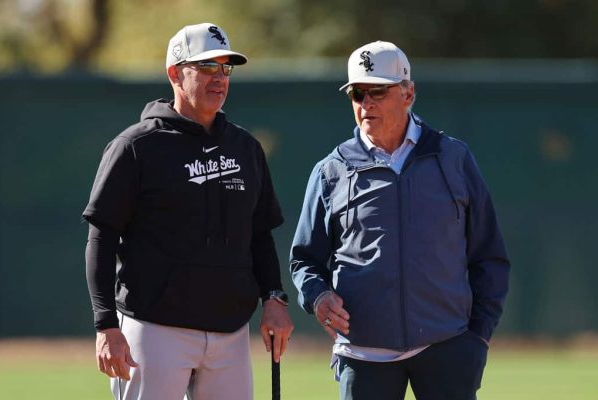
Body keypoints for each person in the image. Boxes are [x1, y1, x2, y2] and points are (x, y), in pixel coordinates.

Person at [83, 23, 293, 400]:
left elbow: (259, 234)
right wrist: (106, 326)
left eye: (226, 68)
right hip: (155, 329)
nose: (220, 78)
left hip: (230, 330)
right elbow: (102, 235)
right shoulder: (136, 146)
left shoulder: (245, 148)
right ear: (175, 74)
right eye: (207, 67)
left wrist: (274, 299)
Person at [290, 40, 510, 400]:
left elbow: (488, 254)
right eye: (357, 94)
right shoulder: (331, 170)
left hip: (448, 348)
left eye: (378, 91)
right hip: (363, 355)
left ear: (408, 94)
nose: (366, 103)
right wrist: (318, 297)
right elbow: (304, 260)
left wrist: (479, 336)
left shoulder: (452, 157)